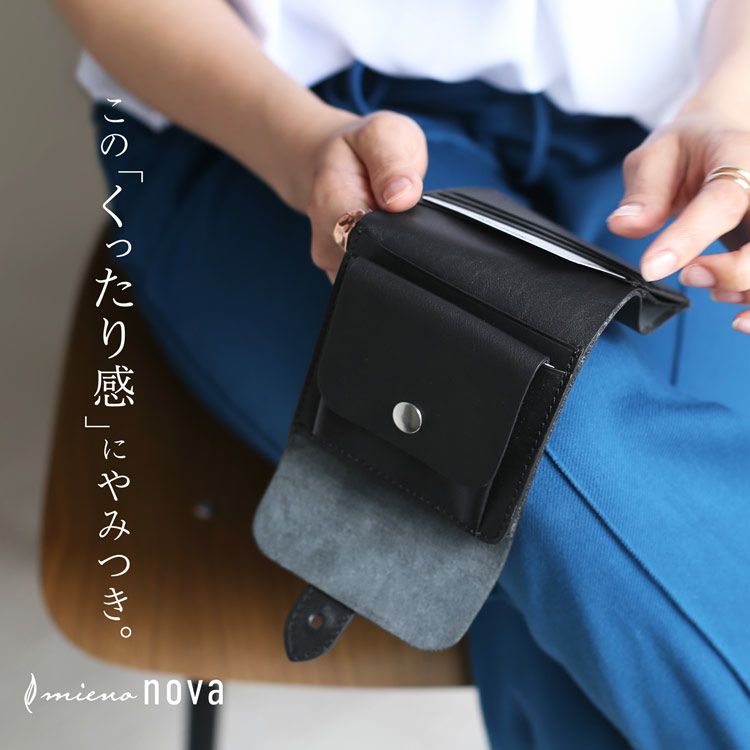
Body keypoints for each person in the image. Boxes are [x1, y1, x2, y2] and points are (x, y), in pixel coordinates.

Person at [53, 0, 750, 746]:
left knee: (613, 569)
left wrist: (731, 111)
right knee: (541, 455)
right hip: (281, 115)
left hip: (665, 142)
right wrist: (300, 144)